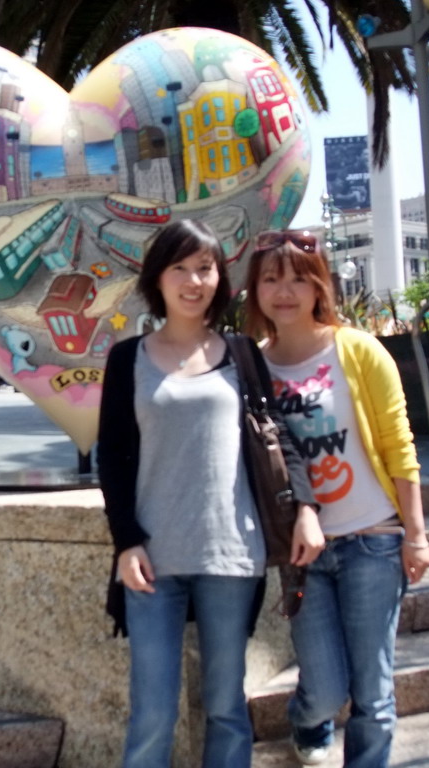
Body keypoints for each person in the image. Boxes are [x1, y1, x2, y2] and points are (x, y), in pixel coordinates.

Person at [97, 219, 319, 768]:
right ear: (158, 278)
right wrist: (126, 542)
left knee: (225, 705)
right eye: (181, 268)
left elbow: (278, 439)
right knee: (152, 710)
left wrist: (306, 508)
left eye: (205, 268)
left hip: (231, 554)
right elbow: (115, 459)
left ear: (220, 278)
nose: (194, 281)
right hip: (154, 559)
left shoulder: (242, 354)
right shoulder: (128, 359)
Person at [242, 231, 429, 767]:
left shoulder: (358, 349)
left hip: (372, 541)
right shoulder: (254, 368)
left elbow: (399, 445)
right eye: (272, 278)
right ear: (254, 290)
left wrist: (415, 535)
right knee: (324, 689)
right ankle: (308, 720)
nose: (286, 291)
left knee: (372, 694)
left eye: (299, 278)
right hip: (303, 556)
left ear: (320, 284)